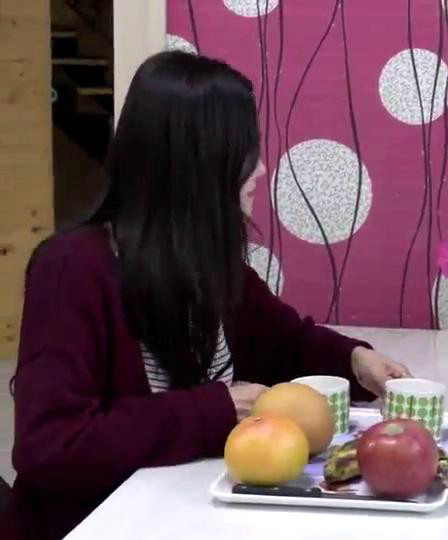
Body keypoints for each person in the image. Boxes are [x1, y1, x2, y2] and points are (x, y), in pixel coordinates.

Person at [7, 51, 411, 540]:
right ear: (201, 164)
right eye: (246, 154)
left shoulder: (207, 263)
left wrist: (355, 360)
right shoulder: (71, 270)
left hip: (188, 514)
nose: (261, 170)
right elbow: (51, 445)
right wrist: (216, 410)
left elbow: (287, 342)